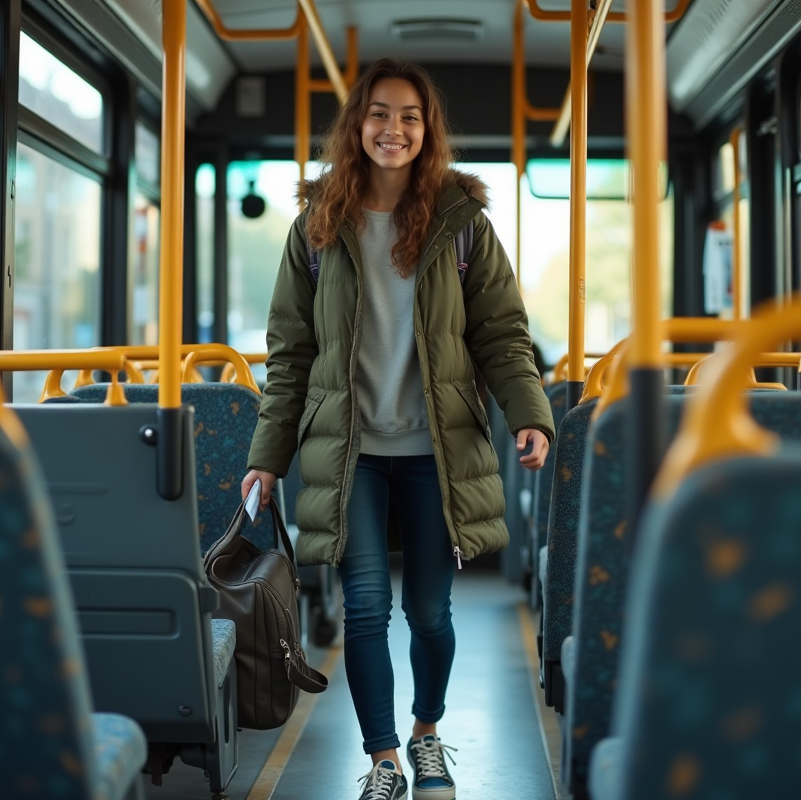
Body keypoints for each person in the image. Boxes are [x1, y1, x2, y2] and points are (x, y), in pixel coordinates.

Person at [242, 58, 554, 800]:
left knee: (431, 613)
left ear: (427, 129)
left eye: (410, 116)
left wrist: (529, 415)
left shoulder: (462, 225)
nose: (395, 128)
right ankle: (383, 758)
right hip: (348, 452)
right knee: (366, 610)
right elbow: (289, 355)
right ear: (358, 125)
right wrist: (267, 458)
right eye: (380, 113)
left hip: (434, 450)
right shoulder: (316, 229)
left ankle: (426, 734)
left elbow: (503, 337)